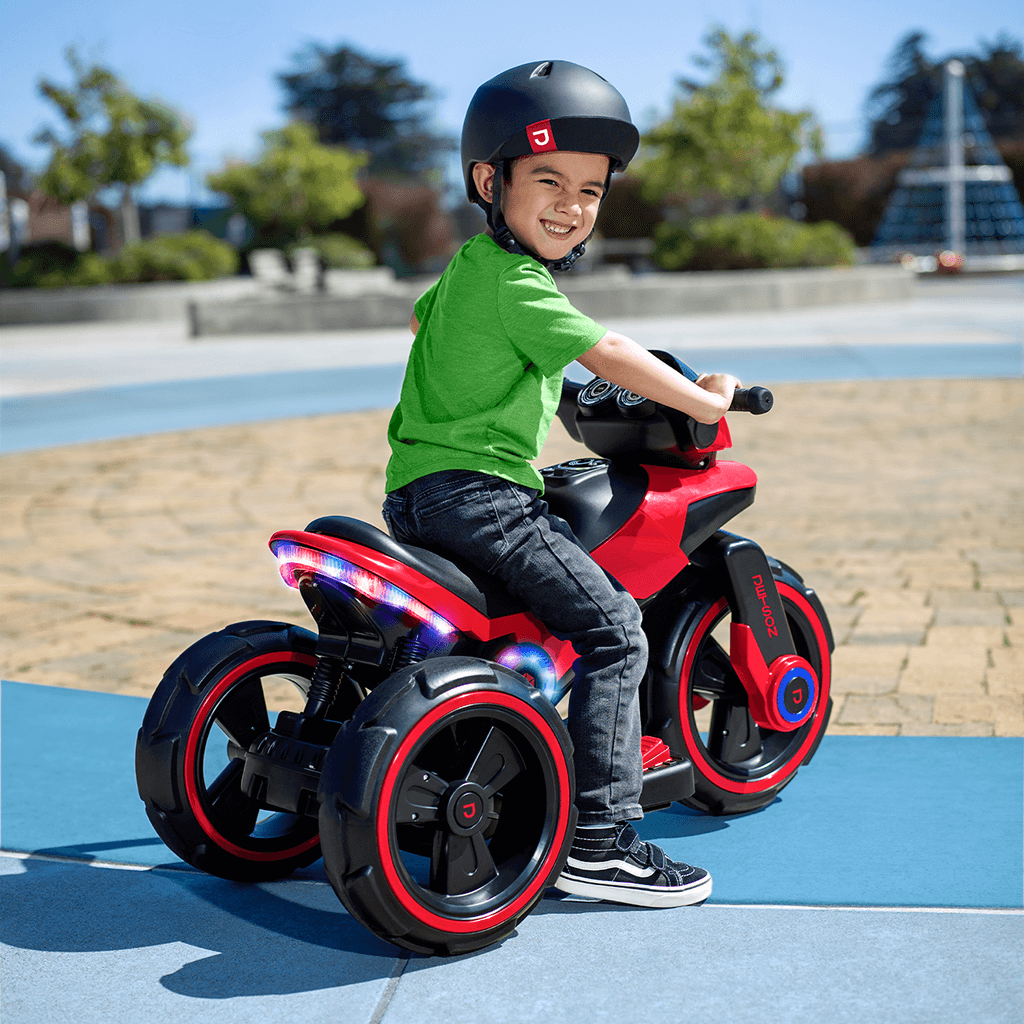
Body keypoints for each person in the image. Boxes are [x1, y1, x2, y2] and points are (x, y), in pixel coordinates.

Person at [382, 61, 737, 908]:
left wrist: (558, 394)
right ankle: (601, 839)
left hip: (417, 494)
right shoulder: (520, 284)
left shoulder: (467, 273)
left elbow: (435, 329)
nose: (571, 204)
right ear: (488, 180)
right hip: (483, 498)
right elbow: (606, 350)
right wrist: (701, 396)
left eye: (590, 189)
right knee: (616, 627)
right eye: (547, 179)